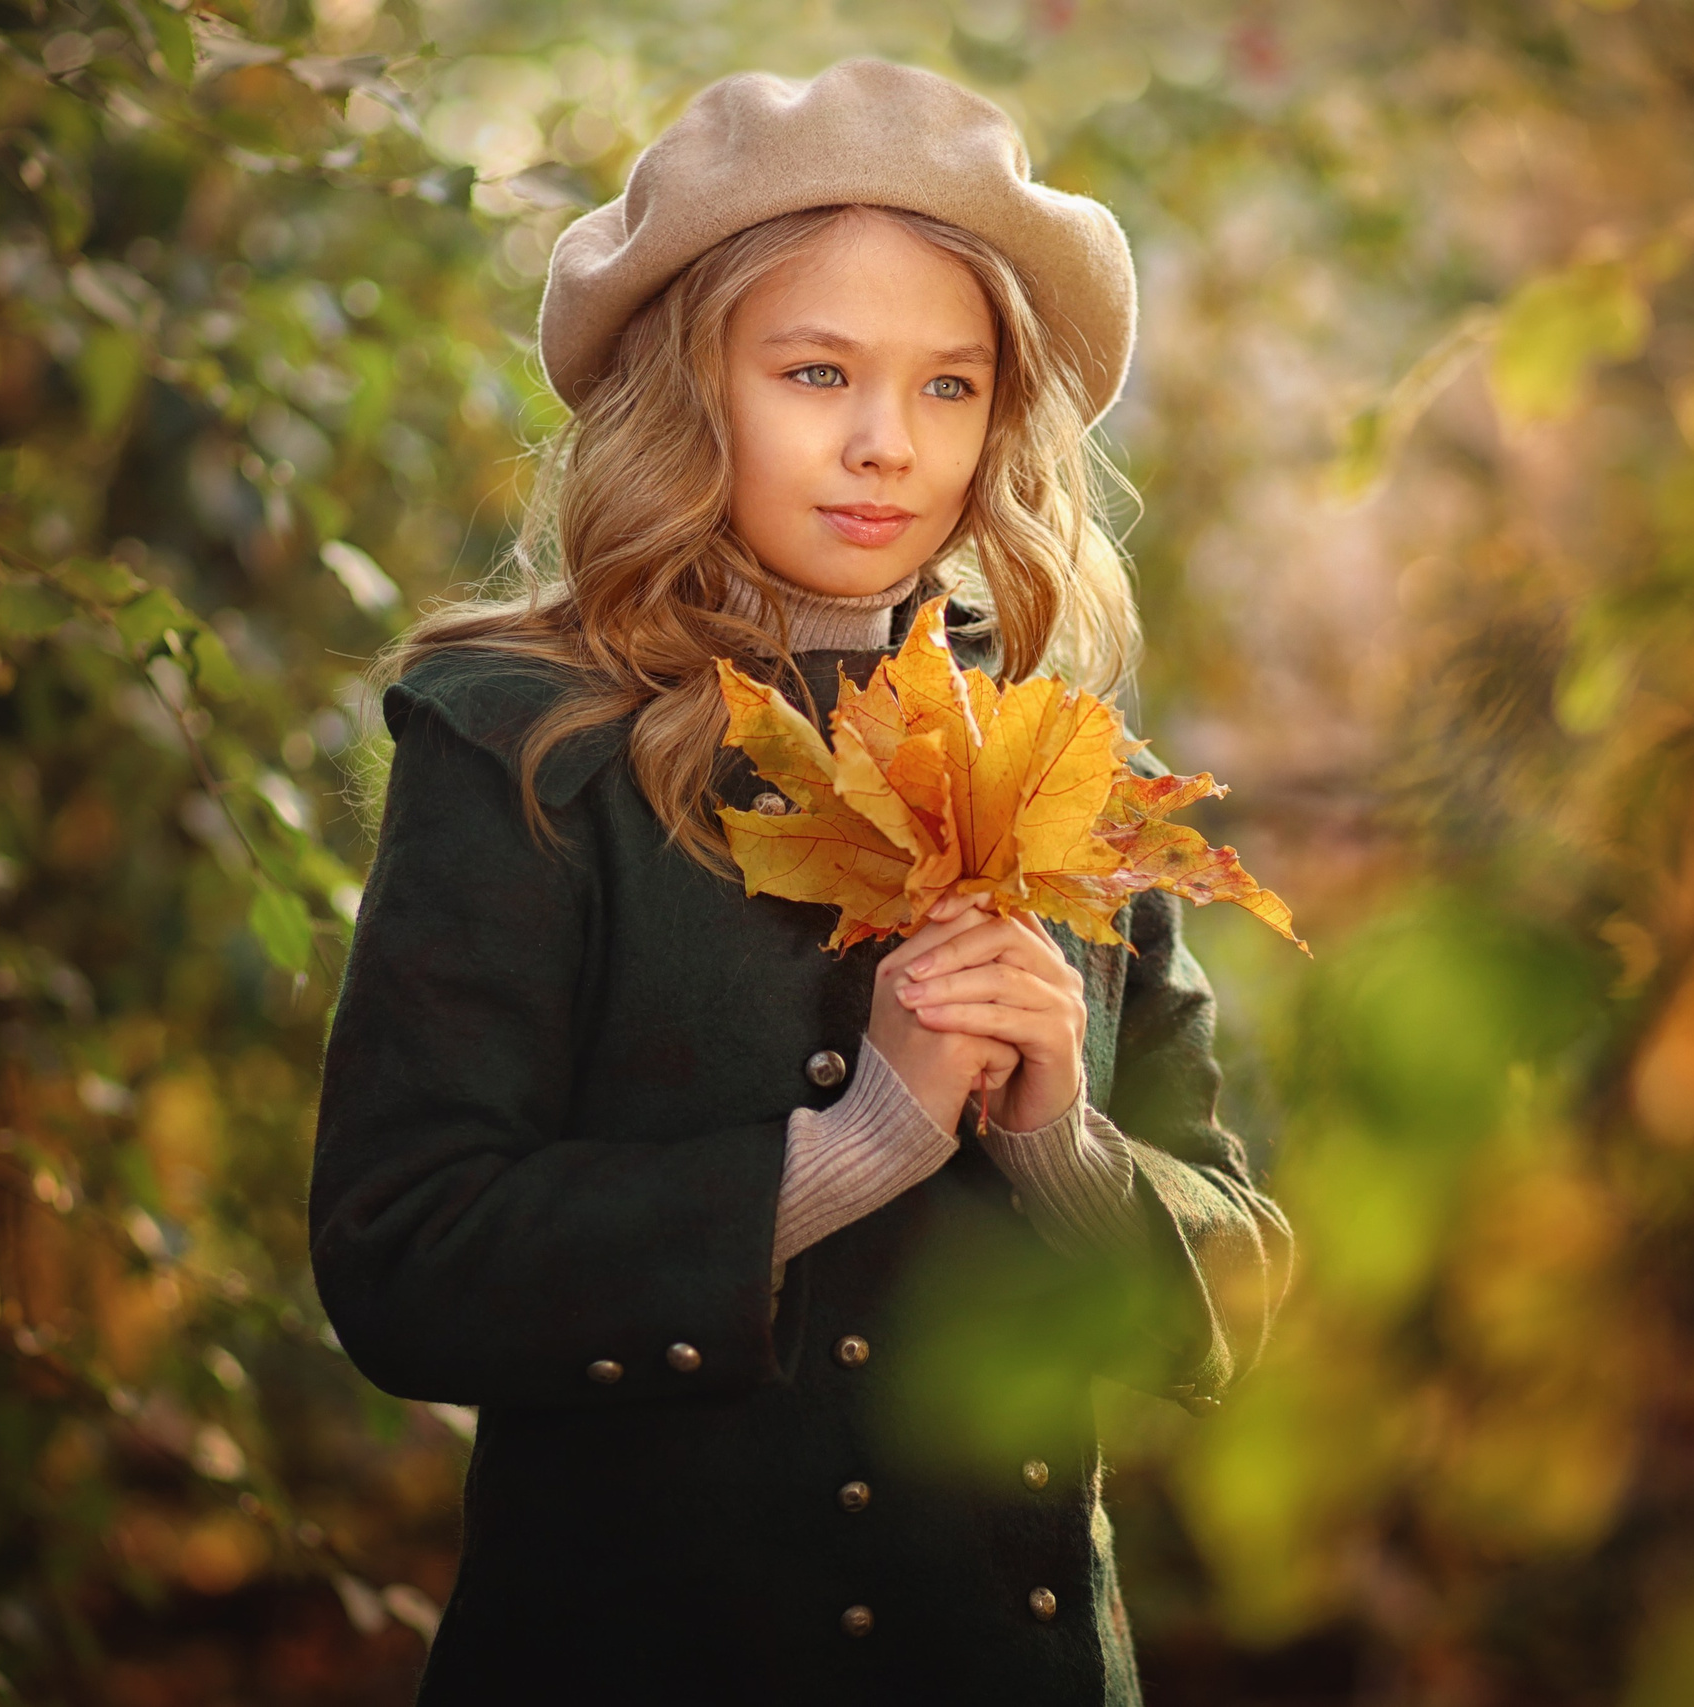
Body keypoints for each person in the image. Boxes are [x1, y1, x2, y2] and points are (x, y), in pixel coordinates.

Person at [306, 58, 1292, 1705]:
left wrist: (1061, 1141)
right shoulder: (525, 744)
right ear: (689, 388)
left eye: (949, 386)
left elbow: (1239, 1294)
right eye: (816, 370)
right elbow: (404, 1261)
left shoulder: (1066, 766)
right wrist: (849, 1150)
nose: (885, 445)